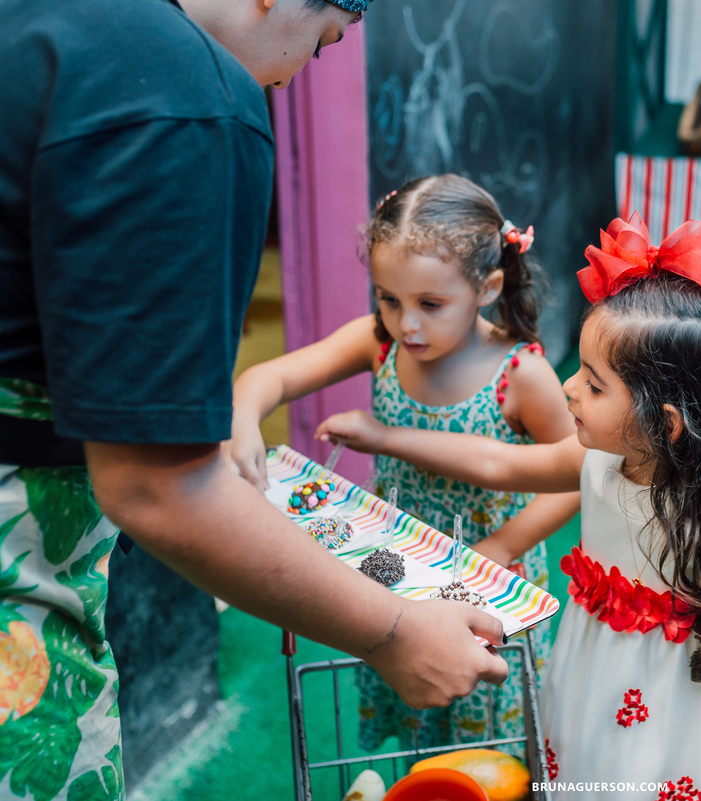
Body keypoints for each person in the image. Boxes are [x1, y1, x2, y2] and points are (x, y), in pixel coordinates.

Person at [0, 1, 507, 795]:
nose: (294, 75)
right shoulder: (193, 94)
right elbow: (159, 484)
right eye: (321, 41)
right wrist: (393, 629)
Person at [316, 213, 701, 800]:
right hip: (597, 677)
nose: (568, 388)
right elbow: (497, 464)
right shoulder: (597, 458)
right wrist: (385, 437)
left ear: (664, 423)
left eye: (593, 383)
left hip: (694, 710)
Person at [230, 173, 579, 756]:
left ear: (488, 287)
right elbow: (272, 376)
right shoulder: (381, 343)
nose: (406, 323)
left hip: (484, 580)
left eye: (430, 304)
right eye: (388, 299)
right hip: (400, 574)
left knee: (487, 741)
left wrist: (503, 545)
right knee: (415, 712)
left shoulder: (520, 373)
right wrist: (244, 414)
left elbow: (574, 477)